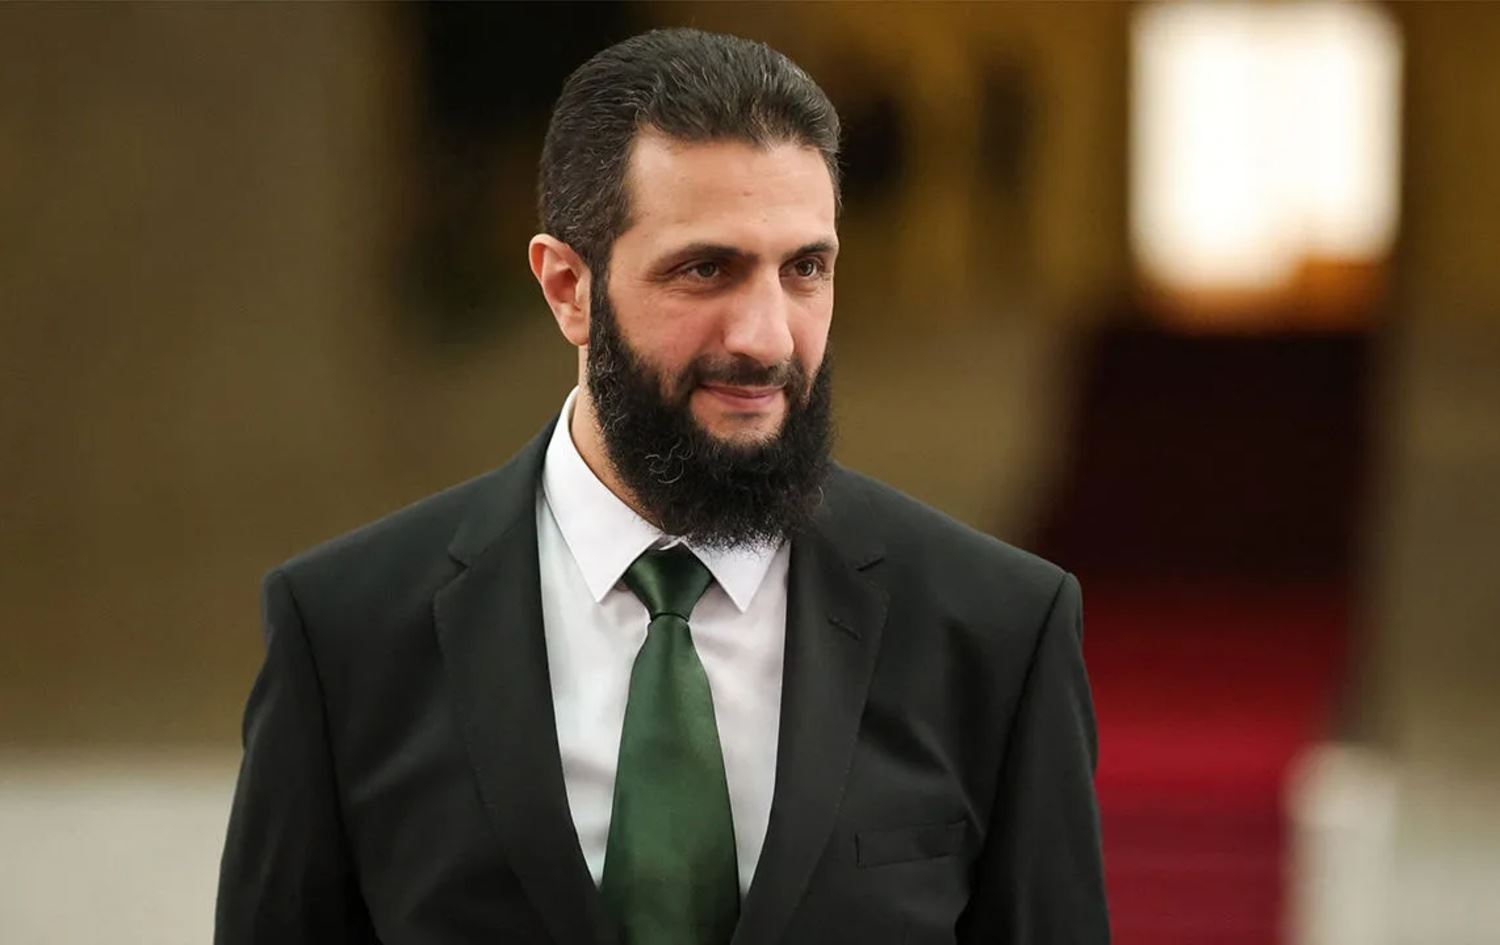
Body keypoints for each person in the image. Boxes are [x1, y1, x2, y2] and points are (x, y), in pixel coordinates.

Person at [216, 27, 1108, 945]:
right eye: (706, 269)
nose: (767, 337)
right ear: (569, 287)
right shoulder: (345, 635)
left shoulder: (996, 631)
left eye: (805, 269)